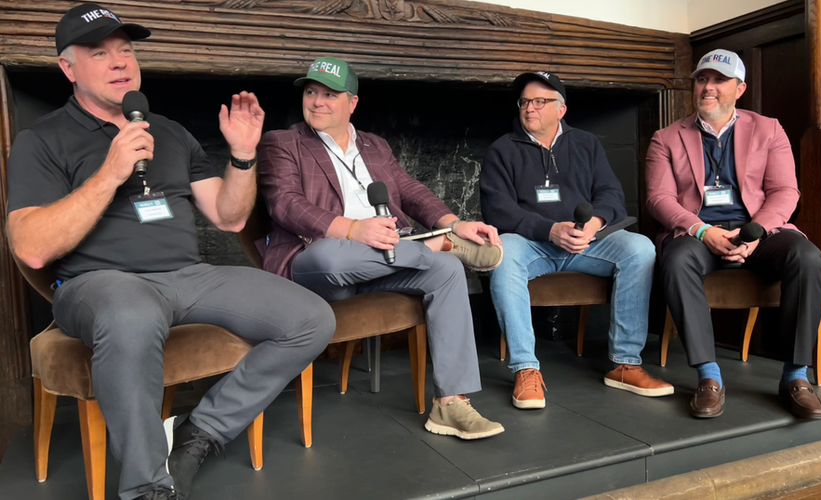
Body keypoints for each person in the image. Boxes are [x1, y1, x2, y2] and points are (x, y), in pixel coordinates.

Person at [6, 5, 336, 500]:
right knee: (130, 311)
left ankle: (200, 432)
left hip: (188, 276)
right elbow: (30, 248)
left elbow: (230, 217)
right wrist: (111, 172)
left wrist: (242, 156)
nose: (120, 63)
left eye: (126, 51)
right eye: (100, 53)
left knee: (311, 317)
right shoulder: (43, 139)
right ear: (68, 68)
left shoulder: (169, 131)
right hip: (99, 283)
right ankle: (146, 488)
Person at [257, 56, 505, 440]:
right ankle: (433, 248)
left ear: (352, 103)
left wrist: (455, 223)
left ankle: (450, 405)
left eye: (329, 94)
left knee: (448, 271)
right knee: (331, 253)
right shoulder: (284, 142)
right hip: (317, 263)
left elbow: (411, 192)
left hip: (382, 261)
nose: (317, 101)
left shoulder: (374, 145)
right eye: (311, 92)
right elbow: (284, 204)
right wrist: (354, 228)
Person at [645, 49, 821, 420]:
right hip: (698, 234)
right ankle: (708, 377)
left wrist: (755, 234)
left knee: (808, 257)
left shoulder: (768, 129)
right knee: (676, 259)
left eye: (718, 80)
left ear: (739, 88)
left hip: (759, 230)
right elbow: (658, 198)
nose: (708, 87)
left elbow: (785, 192)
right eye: (702, 79)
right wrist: (701, 230)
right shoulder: (666, 137)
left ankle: (795, 376)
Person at [480, 71, 673, 410]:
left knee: (640, 248)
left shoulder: (586, 143)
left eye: (540, 101)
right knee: (503, 252)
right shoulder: (502, 149)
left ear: (561, 109)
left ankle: (625, 364)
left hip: (588, 243)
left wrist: (595, 223)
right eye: (525, 101)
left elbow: (612, 194)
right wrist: (549, 230)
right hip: (533, 245)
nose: (530, 108)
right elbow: (498, 211)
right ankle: (525, 368)